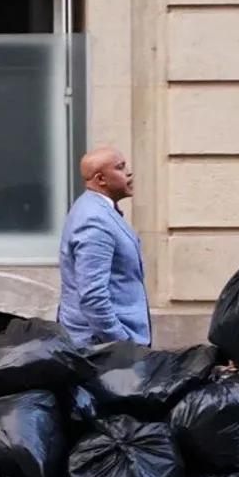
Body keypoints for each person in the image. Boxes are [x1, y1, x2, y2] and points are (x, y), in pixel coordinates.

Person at [58, 147, 151, 346]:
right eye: (120, 167)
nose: (128, 172)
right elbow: (93, 297)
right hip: (102, 350)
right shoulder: (94, 220)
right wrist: (121, 343)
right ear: (101, 179)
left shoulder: (97, 210)